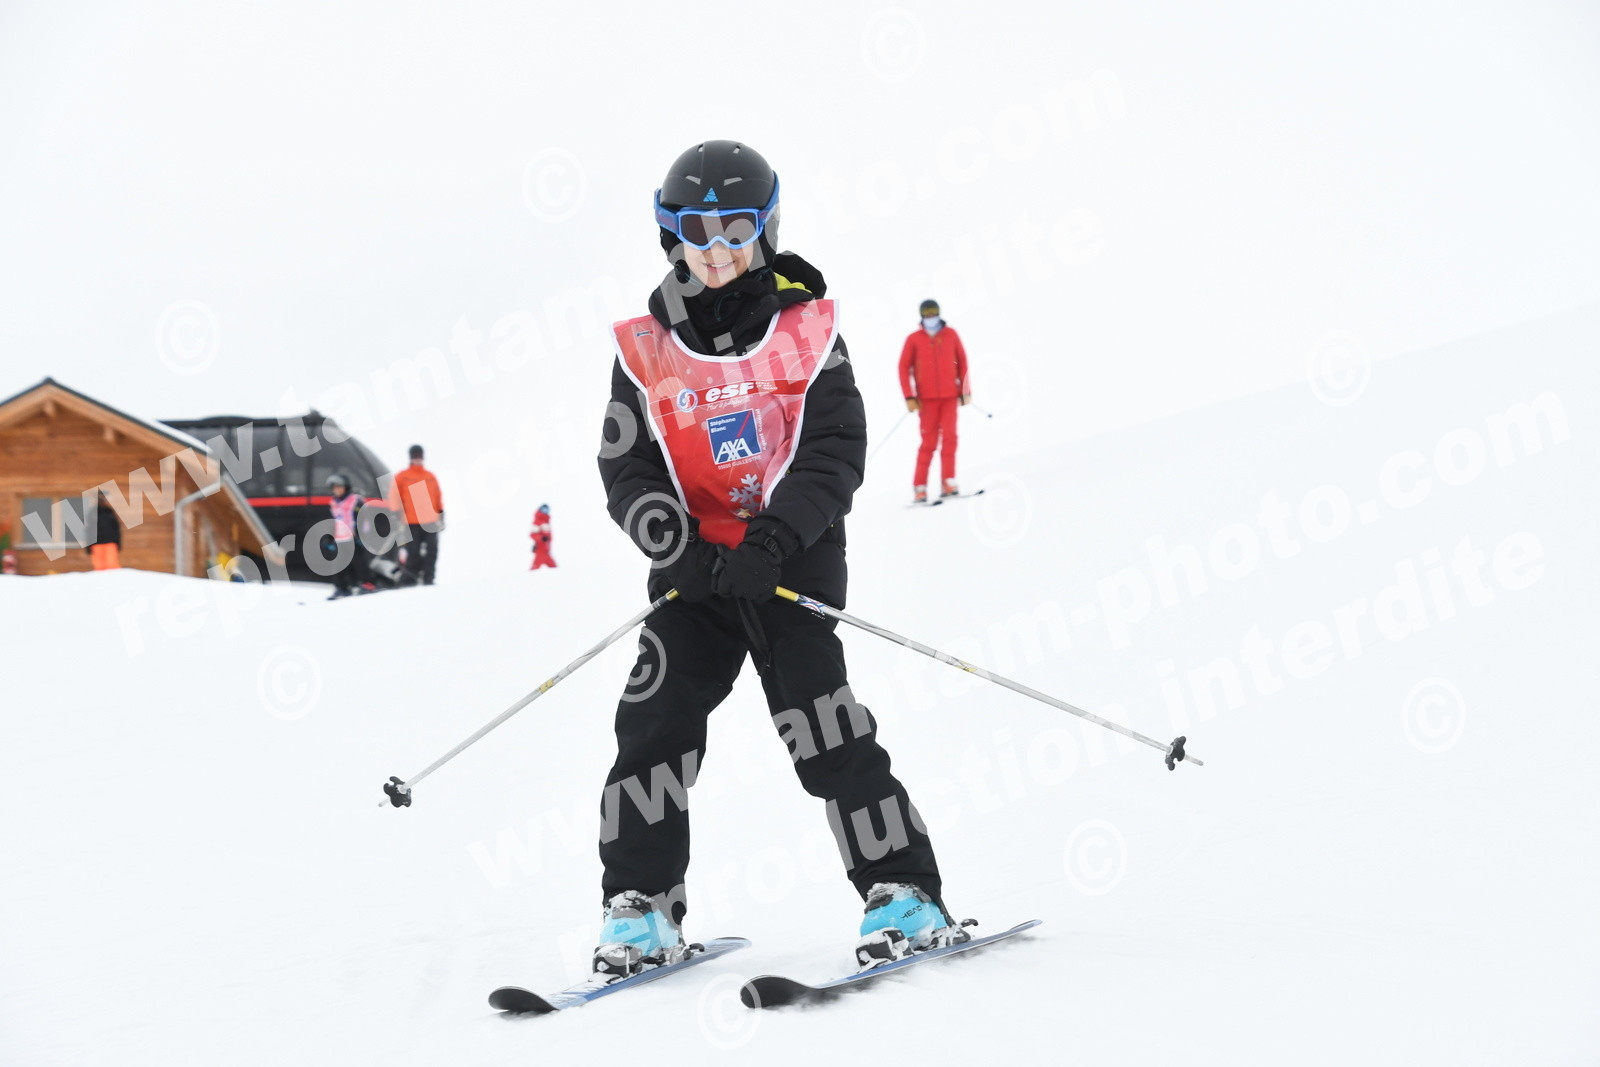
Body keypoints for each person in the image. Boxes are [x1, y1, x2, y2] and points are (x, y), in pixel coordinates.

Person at [593, 140, 960, 980]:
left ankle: (904, 888)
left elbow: (835, 449)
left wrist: (774, 539)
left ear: (765, 229)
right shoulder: (643, 351)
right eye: (697, 232)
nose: (716, 250)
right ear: (671, 237)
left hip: (786, 569)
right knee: (651, 727)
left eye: (735, 229)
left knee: (823, 727)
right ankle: (640, 905)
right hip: (692, 579)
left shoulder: (809, 332)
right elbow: (625, 464)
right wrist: (674, 545)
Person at [898, 298, 971, 502]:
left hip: (949, 397)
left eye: (933, 312)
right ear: (922, 316)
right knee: (928, 442)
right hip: (926, 400)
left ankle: (948, 481)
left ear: (939, 313)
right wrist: (909, 396)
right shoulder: (914, 339)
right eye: (927, 313)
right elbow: (903, 367)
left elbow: (962, 362)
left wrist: (965, 390)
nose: (931, 316)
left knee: (950, 438)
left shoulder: (951, 334)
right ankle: (919, 487)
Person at [391, 444, 443, 585]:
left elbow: (437, 495)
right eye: (415, 456)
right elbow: (395, 495)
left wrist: (441, 513)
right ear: (410, 457)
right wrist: (396, 511)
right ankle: (411, 578)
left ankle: (428, 579)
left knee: (432, 550)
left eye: (419, 456)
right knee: (413, 552)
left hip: (430, 521)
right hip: (411, 521)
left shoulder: (430, 476)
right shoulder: (402, 476)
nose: (417, 458)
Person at [326, 472, 368, 599]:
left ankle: (368, 583)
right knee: (339, 565)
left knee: (359, 562)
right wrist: (329, 538)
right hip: (340, 539)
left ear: (346, 487)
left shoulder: (355, 500)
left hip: (354, 538)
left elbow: (363, 518)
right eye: (334, 488)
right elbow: (334, 521)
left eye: (339, 487)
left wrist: (362, 535)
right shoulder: (334, 503)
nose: (337, 490)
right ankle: (342, 588)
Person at [87, 492, 121, 570]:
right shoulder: (92, 513)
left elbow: (116, 528)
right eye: (100, 498)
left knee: (112, 566)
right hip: (96, 544)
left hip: (110, 543)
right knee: (99, 567)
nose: (102, 500)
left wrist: (118, 542)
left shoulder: (110, 512)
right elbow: (89, 530)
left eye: (103, 498)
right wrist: (88, 545)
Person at [529, 503, 556, 569]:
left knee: (553, 566)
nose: (545, 511)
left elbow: (548, 535)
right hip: (540, 549)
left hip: (546, 549)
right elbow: (533, 534)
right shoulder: (537, 521)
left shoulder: (546, 522)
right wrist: (541, 538)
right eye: (543, 509)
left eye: (546, 510)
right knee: (535, 567)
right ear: (540, 510)